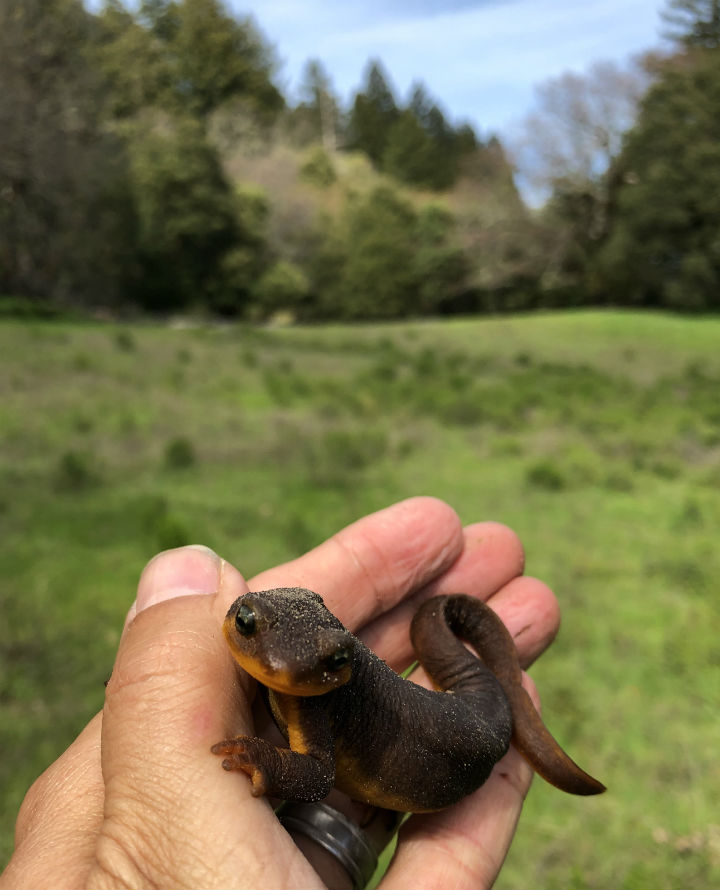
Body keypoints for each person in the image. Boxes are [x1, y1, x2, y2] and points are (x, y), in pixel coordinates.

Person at [0, 496, 561, 890]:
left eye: (327, 662)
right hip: (452, 728)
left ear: (341, 659)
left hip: (465, 746)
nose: (286, 672)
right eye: (247, 625)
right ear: (237, 616)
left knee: (436, 628)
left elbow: (315, 776)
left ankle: (458, 640)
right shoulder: (279, 654)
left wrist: (264, 757)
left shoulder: (313, 695)